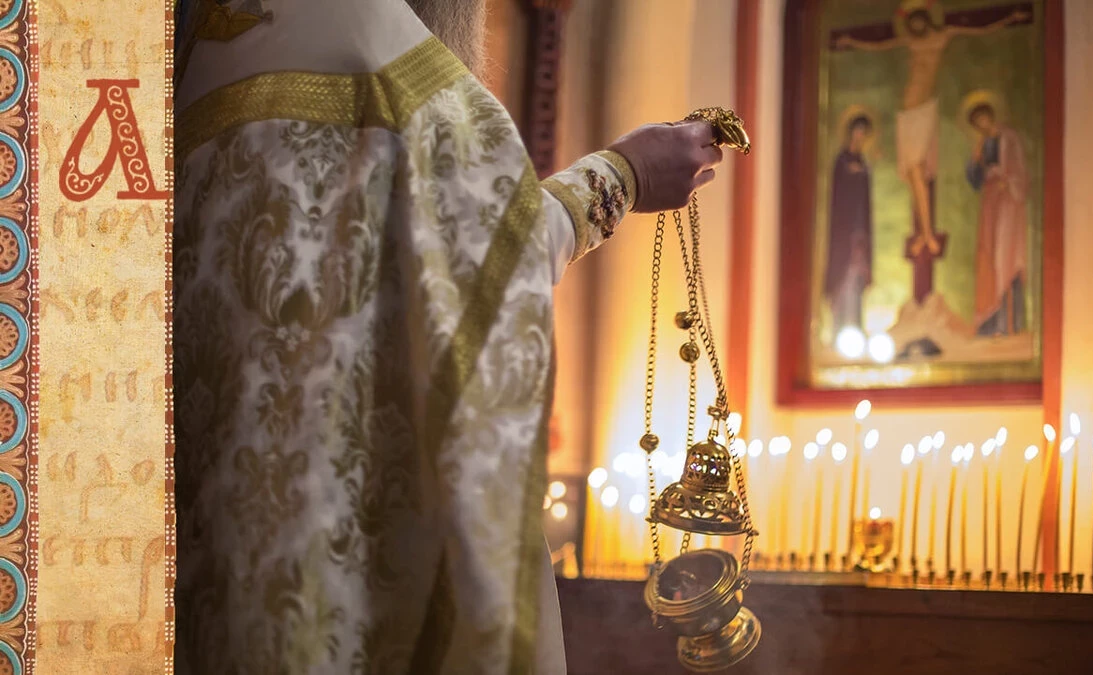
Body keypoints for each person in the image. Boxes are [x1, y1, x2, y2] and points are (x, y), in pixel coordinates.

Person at [170, 1, 725, 674]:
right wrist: (626, 174)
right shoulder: (370, 40)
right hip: (342, 534)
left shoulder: (196, 53)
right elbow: (498, 248)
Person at [836, 1, 1028, 258]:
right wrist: (852, 41)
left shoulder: (943, 34)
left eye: (918, 20)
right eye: (911, 22)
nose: (915, 26)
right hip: (907, 114)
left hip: (924, 111)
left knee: (918, 172)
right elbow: (879, 44)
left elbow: (979, 28)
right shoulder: (909, 41)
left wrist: (1009, 19)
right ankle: (924, 234)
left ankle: (926, 234)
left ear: (927, 19)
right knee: (914, 175)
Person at [964, 101, 1028, 336]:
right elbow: (975, 180)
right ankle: (991, 323)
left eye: (983, 119)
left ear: (990, 116)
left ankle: (1011, 323)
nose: (981, 125)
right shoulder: (983, 144)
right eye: (976, 123)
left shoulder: (1008, 138)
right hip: (990, 204)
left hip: (1008, 204)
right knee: (990, 258)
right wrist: (975, 159)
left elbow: (1019, 171)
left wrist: (1008, 181)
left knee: (1007, 257)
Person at [824, 114, 874, 335]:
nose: (860, 136)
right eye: (858, 131)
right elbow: (839, 196)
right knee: (842, 281)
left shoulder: (864, 164)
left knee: (856, 283)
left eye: (864, 133)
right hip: (843, 231)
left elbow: (865, 200)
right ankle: (838, 330)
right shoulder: (841, 161)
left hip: (859, 232)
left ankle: (855, 329)